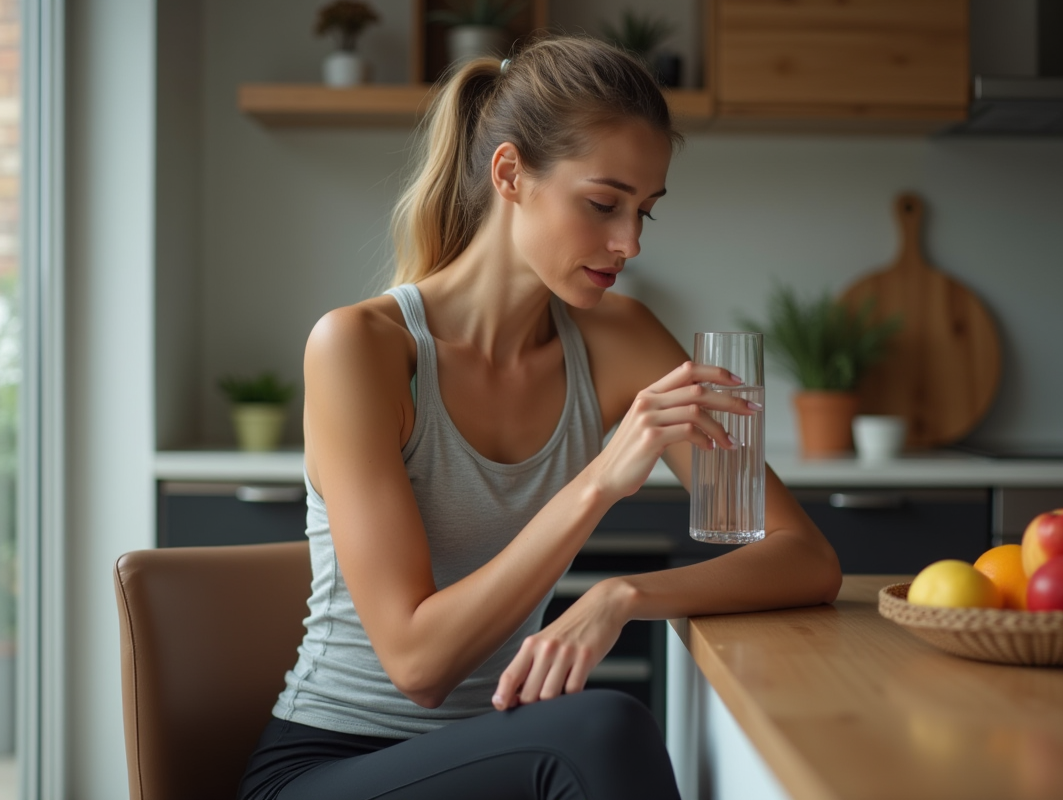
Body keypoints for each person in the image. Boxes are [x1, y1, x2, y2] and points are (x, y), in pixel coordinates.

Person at [238, 35, 841, 800]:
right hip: (332, 765)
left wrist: (619, 596)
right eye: (602, 204)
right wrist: (599, 483)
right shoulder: (363, 349)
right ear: (510, 174)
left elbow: (803, 556)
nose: (628, 242)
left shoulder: (620, 339)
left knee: (595, 732)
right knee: (602, 729)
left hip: (497, 748)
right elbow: (418, 665)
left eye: (644, 212)